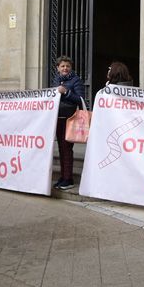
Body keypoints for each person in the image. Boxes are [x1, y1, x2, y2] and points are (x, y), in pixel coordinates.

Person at [53, 55, 85, 191]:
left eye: (67, 66)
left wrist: (66, 92)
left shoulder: (75, 80)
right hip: (57, 119)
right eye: (62, 66)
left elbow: (80, 99)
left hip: (69, 119)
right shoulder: (56, 80)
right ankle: (63, 176)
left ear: (71, 68)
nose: (65, 68)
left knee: (67, 149)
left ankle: (69, 179)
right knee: (61, 148)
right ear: (58, 68)